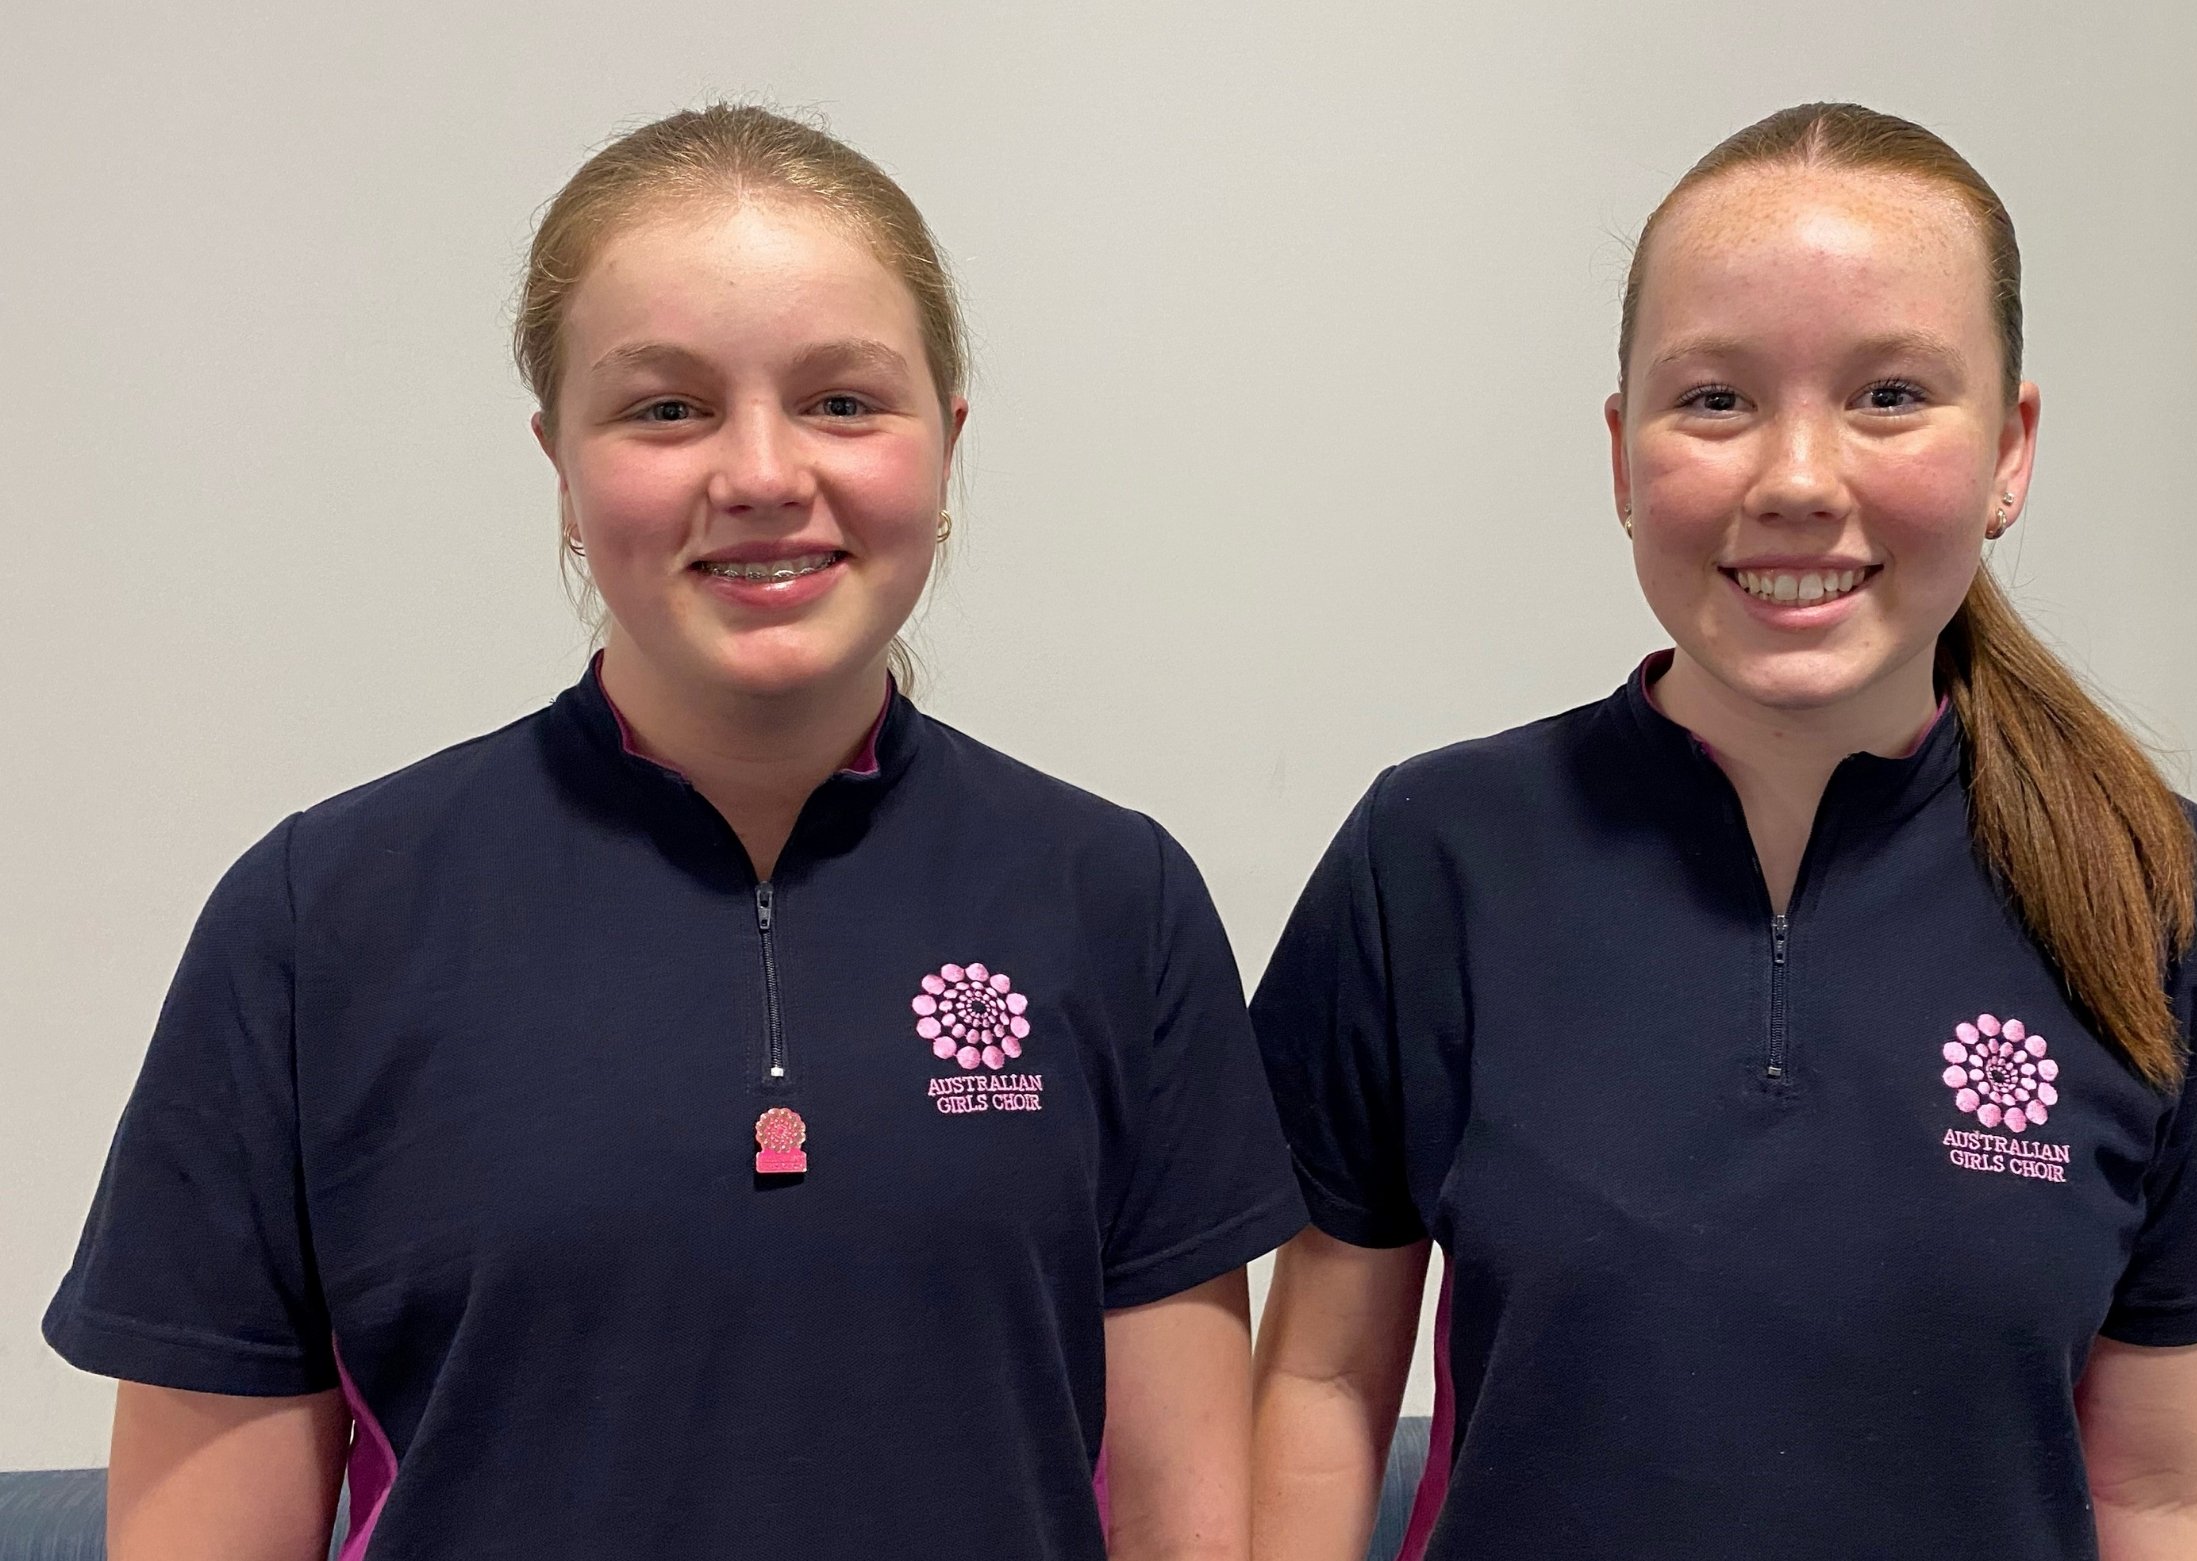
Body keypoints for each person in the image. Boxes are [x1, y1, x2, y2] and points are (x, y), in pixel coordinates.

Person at [46, 103, 1303, 1560]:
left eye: (843, 400)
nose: (763, 472)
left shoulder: (1114, 902)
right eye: (666, 407)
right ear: (561, 464)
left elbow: (1180, 1521)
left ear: (946, 445)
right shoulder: (318, 923)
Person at [1248, 102, 2197, 1561]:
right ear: (1621, 452)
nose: (1795, 478)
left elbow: (2179, 1492)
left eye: (1891, 394)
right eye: (1714, 398)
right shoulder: (1434, 857)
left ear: (2011, 449)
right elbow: (1324, 1382)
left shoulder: (2160, 889)